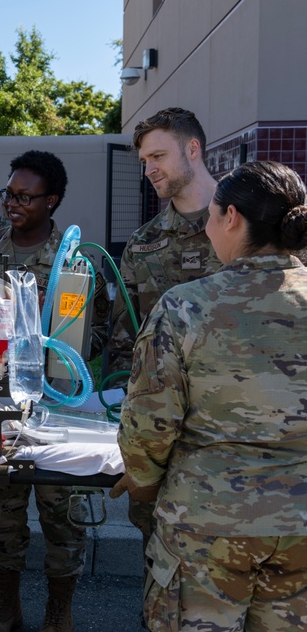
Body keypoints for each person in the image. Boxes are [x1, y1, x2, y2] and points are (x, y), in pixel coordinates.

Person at [117, 160, 307, 632]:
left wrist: (140, 480)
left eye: (210, 216)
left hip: (206, 527)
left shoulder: (186, 306)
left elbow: (147, 427)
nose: (205, 228)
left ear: (232, 218)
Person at [0, 150, 110, 632]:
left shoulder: (75, 263)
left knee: (61, 516)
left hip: (56, 406)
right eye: (9, 193)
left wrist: (50, 339)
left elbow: (94, 338)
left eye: (25, 196)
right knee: (3, 514)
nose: (13, 203)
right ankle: (6, 605)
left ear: (51, 201)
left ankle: (59, 610)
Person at [107, 108, 220, 573]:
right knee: (164, 577)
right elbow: (124, 345)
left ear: (192, 149)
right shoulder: (144, 244)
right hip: (165, 439)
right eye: (143, 160)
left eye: (158, 155)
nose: (149, 167)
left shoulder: (254, 227)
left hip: (242, 434)